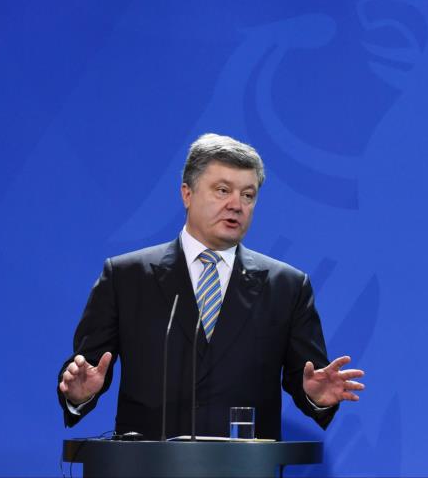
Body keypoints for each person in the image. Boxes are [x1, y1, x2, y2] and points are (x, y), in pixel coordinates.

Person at [58, 133, 364, 440]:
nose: (236, 205)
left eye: (248, 195)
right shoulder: (126, 276)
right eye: (222, 191)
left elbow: (307, 377)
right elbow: (88, 367)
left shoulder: (287, 286)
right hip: (147, 466)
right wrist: (79, 393)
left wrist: (315, 397)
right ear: (187, 194)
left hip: (243, 469)